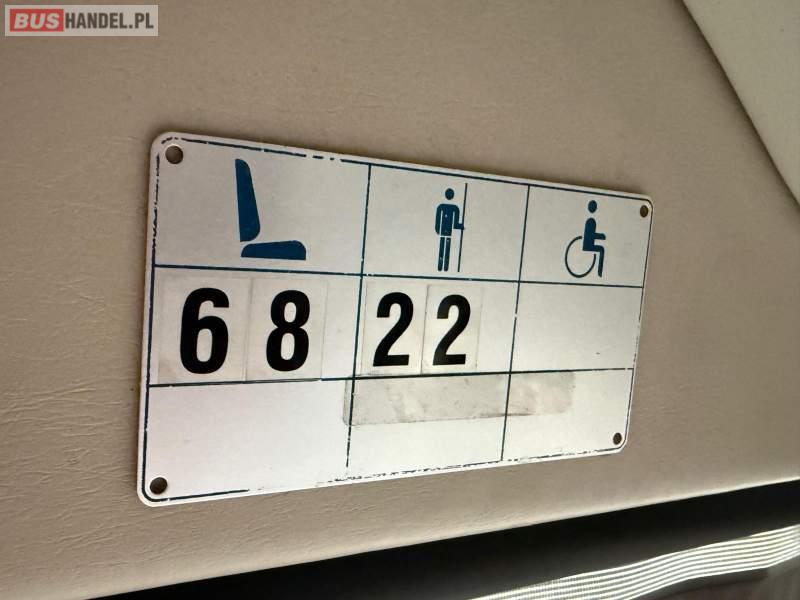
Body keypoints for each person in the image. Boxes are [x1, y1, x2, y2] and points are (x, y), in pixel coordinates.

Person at [435, 188, 464, 271]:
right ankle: (440, 266)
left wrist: (460, 227)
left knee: (447, 249)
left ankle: (445, 267)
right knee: (442, 249)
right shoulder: (442, 207)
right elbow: (438, 220)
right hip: (443, 231)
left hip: (448, 232)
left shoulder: (454, 208)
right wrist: (438, 230)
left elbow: (456, 223)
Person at [581, 200, 605, 276]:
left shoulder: (590, 220)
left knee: (601, 248)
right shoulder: (591, 221)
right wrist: (601, 236)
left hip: (588, 244)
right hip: (588, 245)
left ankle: (599, 272)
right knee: (601, 249)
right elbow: (591, 235)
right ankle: (599, 272)